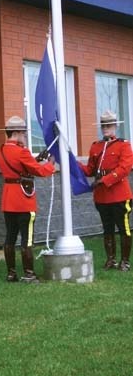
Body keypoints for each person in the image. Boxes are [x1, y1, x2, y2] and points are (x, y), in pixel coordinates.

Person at [0, 116, 56, 283]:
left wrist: (36, 160)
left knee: (10, 237)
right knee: (27, 238)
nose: (24, 136)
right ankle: (29, 273)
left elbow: (19, 168)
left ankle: (11, 273)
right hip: (23, 199)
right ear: (16, 133)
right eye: (23, 133)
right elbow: (40, 172)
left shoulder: (1, 150)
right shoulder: (22, 151)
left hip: (8, 199)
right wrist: (50, 163)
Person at [79, 110, 133, 271]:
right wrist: (74, 164)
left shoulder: (124, 145)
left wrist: (104, 180)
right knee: (107, 229)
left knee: (124, 229)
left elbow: (124, 168)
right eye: (103, 126)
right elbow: (90, 170)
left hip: (119, 195)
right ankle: (111, 260)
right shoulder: (96, 146)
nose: (105, 129)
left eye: (109, 125)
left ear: (115, 126)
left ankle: (125, 261)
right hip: (102, 196)